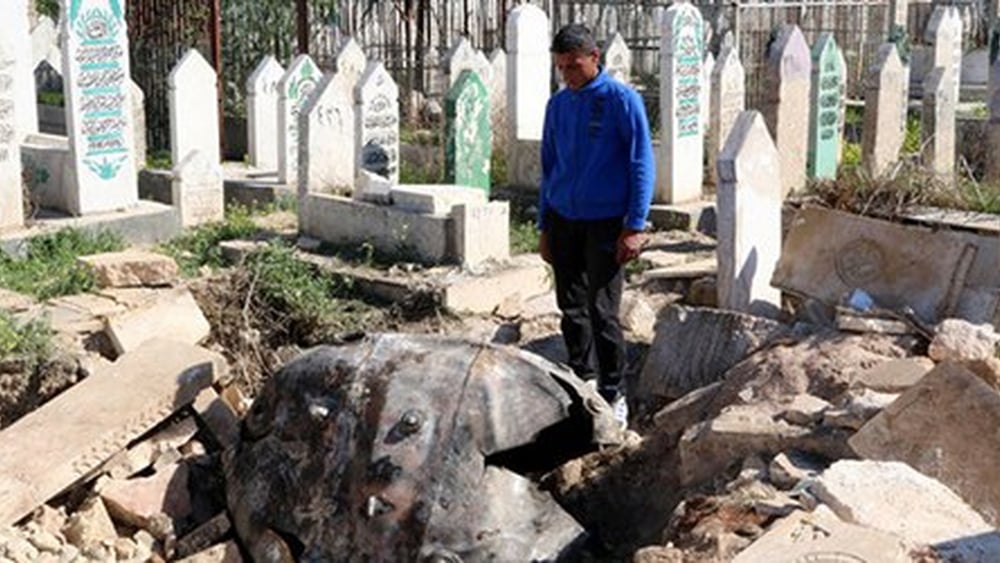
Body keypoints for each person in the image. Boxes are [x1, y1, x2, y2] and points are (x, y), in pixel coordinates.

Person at [538, 23, 655, 427]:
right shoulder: (558, 105)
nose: (567, 75)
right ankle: (580, 378)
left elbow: (641, 163)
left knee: (602, 309)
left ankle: (612, 389)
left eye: (573, 66)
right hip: (563, 218)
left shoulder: (622, 101)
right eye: (560, 68)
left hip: (606, 222)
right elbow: (548, 167)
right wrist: (543, 225)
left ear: (594, 58)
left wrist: (635, 224)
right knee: (570, 307)